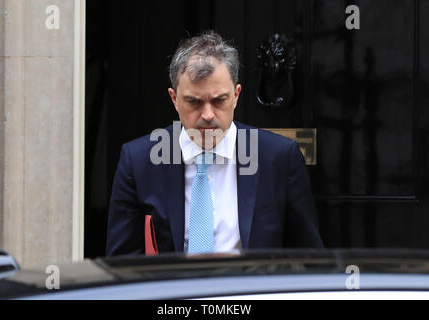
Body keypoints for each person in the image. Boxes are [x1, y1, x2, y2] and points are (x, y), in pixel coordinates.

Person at [106, 31, 323, 256]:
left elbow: (307, 257)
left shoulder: (279, 157)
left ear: (236, 95)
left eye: (219, 100)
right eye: (194, 102)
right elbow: (123, 263)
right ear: (174, 99)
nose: (208, 114)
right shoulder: (139, 161)